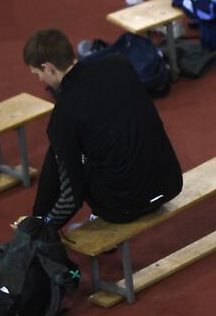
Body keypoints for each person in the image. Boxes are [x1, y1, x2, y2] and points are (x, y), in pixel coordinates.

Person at [24, 29, 183, 228]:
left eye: (37, 74)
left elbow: (71, 197)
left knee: (74, 155)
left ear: (48, 67)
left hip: (124, 207)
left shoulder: (63, 114)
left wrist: (42, 226)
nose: (40, 80)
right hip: (169, 183)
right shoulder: (119, 64)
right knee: (71, 143)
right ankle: (39, 214)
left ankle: (41, 217)